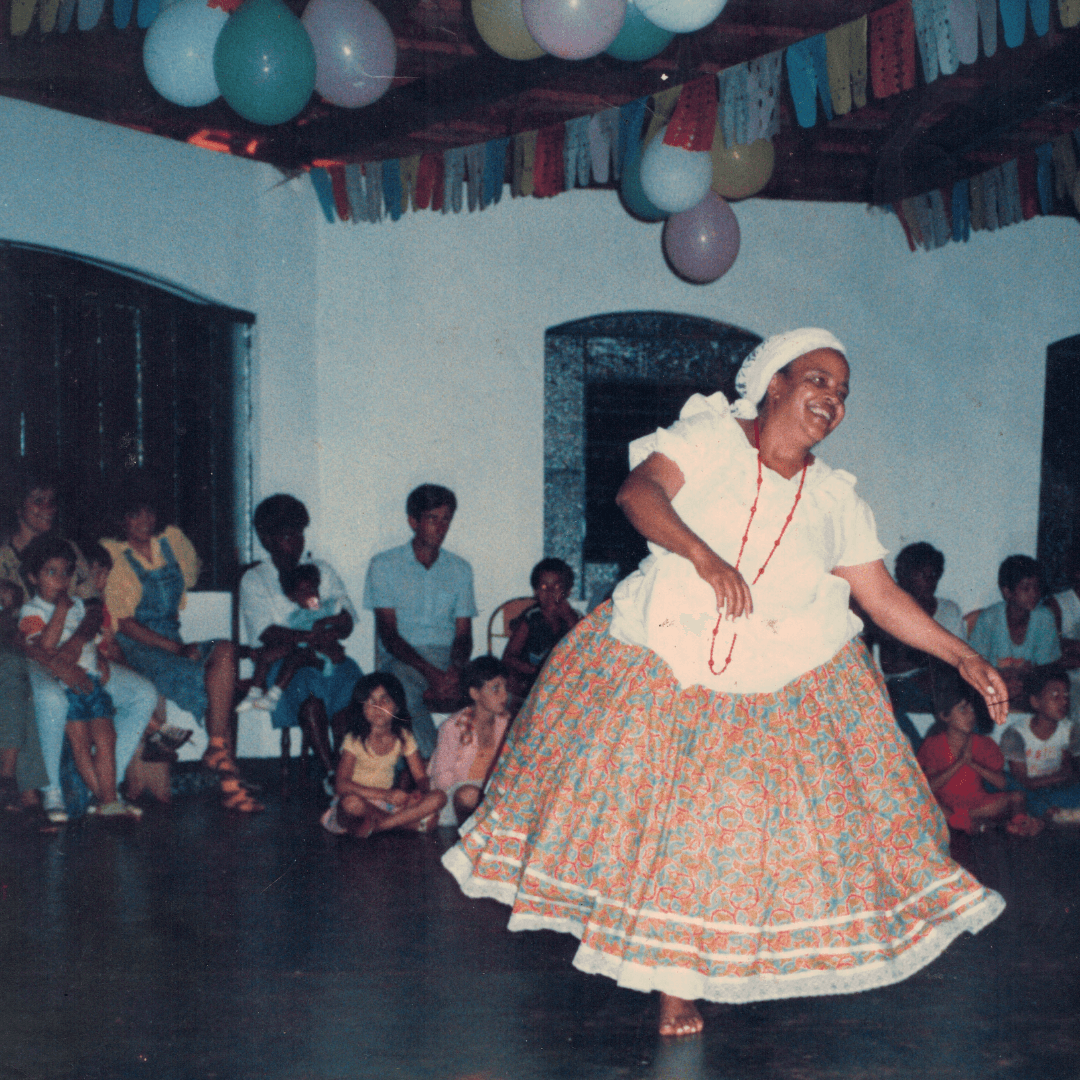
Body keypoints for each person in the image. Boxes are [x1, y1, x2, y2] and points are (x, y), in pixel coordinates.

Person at [442, 328, 1008, 1038]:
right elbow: (639, 492)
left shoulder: (834, 496)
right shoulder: (711, 436)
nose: (832, 399)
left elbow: (881, 596)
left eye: (842, 392)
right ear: (775, 384)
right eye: (818, 381)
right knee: (679, 828)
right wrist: (704, 558)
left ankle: (733, 960)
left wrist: (962, 656)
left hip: (789, 676)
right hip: (671, 661)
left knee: (757, 838)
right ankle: (675, 984)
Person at [1, 466, 159, 822]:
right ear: (18, 507)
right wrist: (54, 661)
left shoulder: (68, 551)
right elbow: (8, 628)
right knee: (53, 697)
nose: (46, 507)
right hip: (25, 655)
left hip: (77, 653)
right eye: (36, 500)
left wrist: (81, 646)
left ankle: (104, 791)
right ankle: (52, 790)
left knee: (143, 694)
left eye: (51, 501)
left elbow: (92, 607)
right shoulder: (4, 558)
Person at [102, 480, 262, 813]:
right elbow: (125, 622)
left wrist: (177, 643)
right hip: (136, 644)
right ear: (120, 520)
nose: (145, 520)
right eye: (134, 515)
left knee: (226, 651)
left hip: (173, 637)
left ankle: (216, 745)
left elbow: (188, 578)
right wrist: (174, 649)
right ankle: (230, 781)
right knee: (205, 682)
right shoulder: (113, 553)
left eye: (149, 511)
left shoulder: (172, 540)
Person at [17, 535, 139, 818]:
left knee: (107, 739)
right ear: (34, 577)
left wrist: (99, 659)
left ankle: (108, 799)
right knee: (82, 745)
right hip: (67, 688)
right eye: (51, 572)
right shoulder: (32, 611)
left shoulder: (80, 607)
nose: (61, 580)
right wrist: (60, 611)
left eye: (66, 573)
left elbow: (90, 643)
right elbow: (45, 647)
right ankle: (106, 801)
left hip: (92, 684)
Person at [238, 495, 360, 776]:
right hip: (286, 666)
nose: (297, 541)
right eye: (287, 535)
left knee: (352, 699)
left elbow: (347, 620)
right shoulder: (255, 579)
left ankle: (349, 773)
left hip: (330, 657)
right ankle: (332, 775)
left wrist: (330, 632)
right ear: (266, 539)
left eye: (300, 533)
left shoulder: (321, 571)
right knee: (311, 703)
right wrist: (312, 638)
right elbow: (266, 633)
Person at [363, 484, 477, 758]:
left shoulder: (460, 569)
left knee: (494, 690)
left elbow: (463, 635)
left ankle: (480, 769)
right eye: (432, 519)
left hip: (448, 658)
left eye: (446, 519)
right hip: (404, 659)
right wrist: (432, 673)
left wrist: (455, 668)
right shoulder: (384, 565)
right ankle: (435, 765)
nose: (441, 527)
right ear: (413, 522)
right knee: (400, 693)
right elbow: (389, 637)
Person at [861, 542, 963, 751]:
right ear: (906, 577)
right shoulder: (891, 612)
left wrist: (932, 670)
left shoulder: (948, 609)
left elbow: (957, 657)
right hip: (902, 684)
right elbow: (890, 665)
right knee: (882, 700)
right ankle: (919, 755)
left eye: (935, 575)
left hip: (942, 680)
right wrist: (930, 663)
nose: (932, 582)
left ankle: (950, 755)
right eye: (925, 576)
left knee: (967, 700)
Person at [320, 673, 446, 838]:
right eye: (371, 701)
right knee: (351, 804)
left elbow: (421, 777)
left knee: (439, 797)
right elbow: (341, 785)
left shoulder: (403, 737)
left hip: (386, 805)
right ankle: (404, 824)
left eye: (385, 700)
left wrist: (419, 792)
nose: (377, 706)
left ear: (397, 707)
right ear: (361, 707)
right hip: (360, 800)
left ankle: (381, 825)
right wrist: (385, 794)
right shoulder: (355, 739)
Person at [916, 679, 1040, 835]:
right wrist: (959, 763)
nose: (971, 715)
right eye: (963, 710)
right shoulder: (932, 744)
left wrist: (974, 764)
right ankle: (986, 827)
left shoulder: (984, 743)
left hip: (978, 806)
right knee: (928, 804)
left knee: (1017, 796)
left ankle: (1018, 824)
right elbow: (928, 787)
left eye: (972, 710)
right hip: (948, 807)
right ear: (945, 716)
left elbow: (1002, 784)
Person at [969, 555, 1061, 710]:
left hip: (1028, 690)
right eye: (1026, 588)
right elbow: (975, 664)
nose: (1034, 594)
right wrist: (1002, 678)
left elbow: (1048, 668)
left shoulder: (1044, 618)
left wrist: (1026, 679)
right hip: (993, 689)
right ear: (1007, 592)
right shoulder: (989, 618)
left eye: (1037, 587)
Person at [429, 656, 511, 827]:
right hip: (456, 795)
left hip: (490, 790)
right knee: (470, 794)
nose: (504, 695)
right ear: (475, 693)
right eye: (496, 689)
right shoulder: (453, 726)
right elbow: (442, 777)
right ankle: (468, 835)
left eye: (505, 687)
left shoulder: (505, 723)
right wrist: (480, 794)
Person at [1000, 667, 1080, 821]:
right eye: (1055, 695)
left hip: (1054, 788)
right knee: (1014, 788)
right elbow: (1023, 781)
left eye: (1066, 695)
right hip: (1027, 787)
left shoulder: (1071, 730)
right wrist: (1061, 775)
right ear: (1035, 702)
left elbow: (1072, 771)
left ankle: (1052, 812)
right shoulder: (1016, 734)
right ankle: (1054, 812)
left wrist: (1064, 776)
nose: (1064, 701)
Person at [502, 558, 581, 704]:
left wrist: (569, 618)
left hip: (563, 679)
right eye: (544, 587)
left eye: (557, 586)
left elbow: (585, 647)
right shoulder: (530, 618)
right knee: (512, 681)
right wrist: (534, 670)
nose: (550, 592)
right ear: (535, 592)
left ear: (568, 591)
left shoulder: (575, 618)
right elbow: (508, 657)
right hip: (531, 679)